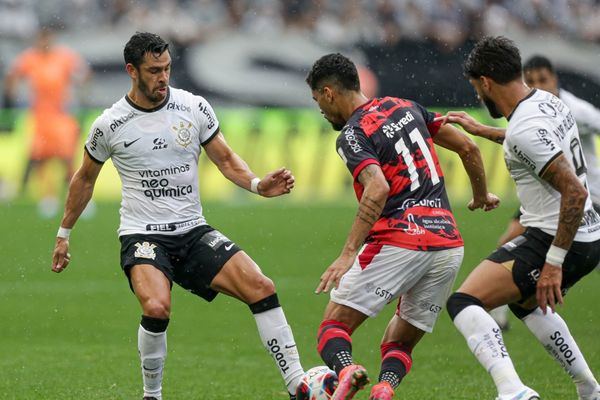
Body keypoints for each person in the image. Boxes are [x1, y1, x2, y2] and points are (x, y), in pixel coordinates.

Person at [50, 32, 307, 400]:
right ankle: (152, 395)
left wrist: (256, 184)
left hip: (192, 231)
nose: (163, 77)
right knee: (157, 307)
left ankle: (298, 383)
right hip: (143, 235)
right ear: (131, 71)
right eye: (154, 70)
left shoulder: (193, 107)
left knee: (262, 287)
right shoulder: (110, 124)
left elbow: (226, 158)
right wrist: (64, 234)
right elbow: (84, 179)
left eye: (167, 68)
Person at [305, 53, 499, 400]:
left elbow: (377, 188)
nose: (319, 108)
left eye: (318, 98)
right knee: (400, 342)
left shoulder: (352, 133)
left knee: (332, 329)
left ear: (330, 93)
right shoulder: (407, 106)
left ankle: (347, 370)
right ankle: (384, 388)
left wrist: (348, 253)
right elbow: (468, 146)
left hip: (399, 239)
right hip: (447, 244)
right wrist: (481, 195)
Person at [440, 36, 600, 400]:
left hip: (558, 238)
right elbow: (529, 140)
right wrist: (483, 131)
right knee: (525, 302)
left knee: (464, 302)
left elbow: (574, 192)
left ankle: (513, 391)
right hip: (589, 236)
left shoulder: (525, 128)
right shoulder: (547, 101)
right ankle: (589, 388)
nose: (480, 98)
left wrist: (554, 264)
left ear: (485, 82)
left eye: (477, 89)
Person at [3, 27, 91, 217]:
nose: (44, 42)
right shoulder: (30, 58)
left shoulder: (64, 57)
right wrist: (12, 96)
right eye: (41, 38)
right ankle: (48, 198)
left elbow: (83, 73)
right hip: (40, 117)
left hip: (61, 116)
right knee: (41, 160)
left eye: (47, 38)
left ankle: (79, 201)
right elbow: (12, 75)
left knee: (68, 160)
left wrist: (81, 94)